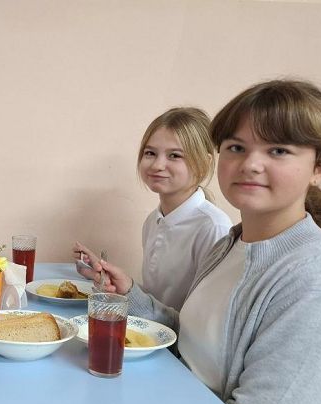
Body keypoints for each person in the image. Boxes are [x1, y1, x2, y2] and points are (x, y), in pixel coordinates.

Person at [75, 80, 321, 404]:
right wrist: (131, 297)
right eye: (236, 147)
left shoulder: (315, 289)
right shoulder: (233, 243)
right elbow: (194, 339)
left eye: (278, 150)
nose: (250, 164)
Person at [78, 107, 231, 309]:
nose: (157, 165)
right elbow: (156, 300)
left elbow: (205, 317)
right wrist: (107, 275)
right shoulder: (153, 221)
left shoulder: (214, 228)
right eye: (150, 153)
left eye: (174, 155)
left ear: (205, 162)